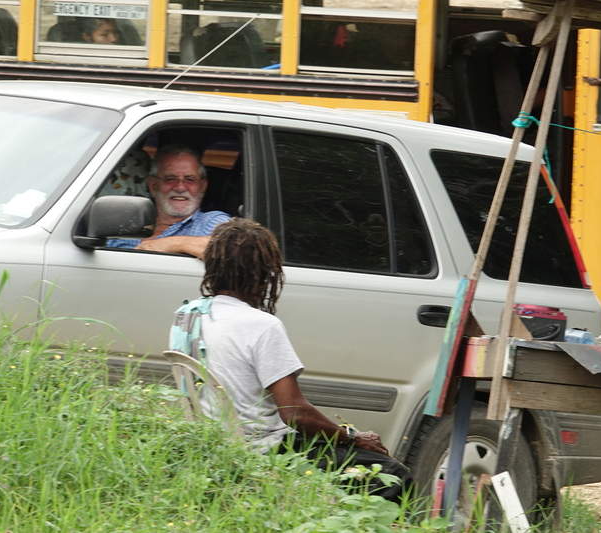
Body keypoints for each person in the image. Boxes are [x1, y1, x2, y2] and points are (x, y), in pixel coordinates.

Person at [173, 218, 412, 501]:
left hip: (211, 444)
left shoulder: (187, 315)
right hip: (265, 449)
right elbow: (295, 413)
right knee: (394, 475)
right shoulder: (260, 325)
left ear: (213, 266)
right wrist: (351, 437)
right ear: (262, 274)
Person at [106, 145, 231, 257]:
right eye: (170, 179)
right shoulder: (126, 224)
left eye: (190, 180)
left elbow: (236, 247)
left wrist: (174, 244)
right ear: (153, 185)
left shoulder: (210, 221)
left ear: (202, 187)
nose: (180, 188)